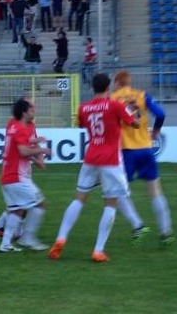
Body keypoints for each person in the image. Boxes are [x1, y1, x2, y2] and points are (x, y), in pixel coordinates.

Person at [48, 73, 139, 263]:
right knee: (110, 204)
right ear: (108, 87)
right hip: (111, 161)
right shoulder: (115, 105)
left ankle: (60, 238)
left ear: (92, 88)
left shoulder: (84, 107)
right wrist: (131, 109)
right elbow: (135, 124)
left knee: (79, 199)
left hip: (91, 158)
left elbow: (81, 124)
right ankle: (98, 250)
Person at [111, 70, 174, 245]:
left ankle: (137, 225)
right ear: (129, 82)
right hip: (146, 148)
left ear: (116, 83)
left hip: (126, 151)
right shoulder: (142, 95)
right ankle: (166, 231)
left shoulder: (113, 99)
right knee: (155, 191)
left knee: (116, 192)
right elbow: (160, 114)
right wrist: (156, 131)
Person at [0, 97, 51, 253]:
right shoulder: (19, 128)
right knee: (40, 204)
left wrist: (35, 144)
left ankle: (5, 244)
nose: (34, 112)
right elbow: (23, 151)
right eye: (32, 109)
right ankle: (27, 238)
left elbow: (23, 146)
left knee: (17, 209)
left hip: (8, 176)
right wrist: (41, 150)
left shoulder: (15, 126)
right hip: (17, 177)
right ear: (24, 112)